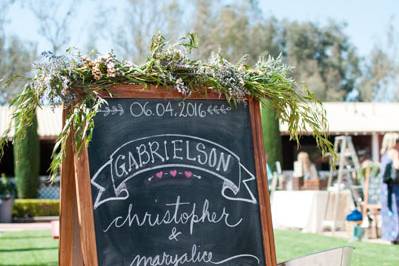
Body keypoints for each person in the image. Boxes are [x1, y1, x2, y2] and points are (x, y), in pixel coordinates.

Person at [379, 133, 399, 244]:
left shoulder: (384, 153)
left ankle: (389, 235)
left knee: (388, 210)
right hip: (394, 187)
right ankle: (395, 236)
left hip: (385, 186)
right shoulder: (394, 152)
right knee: (396, 210)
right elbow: (397, 166)